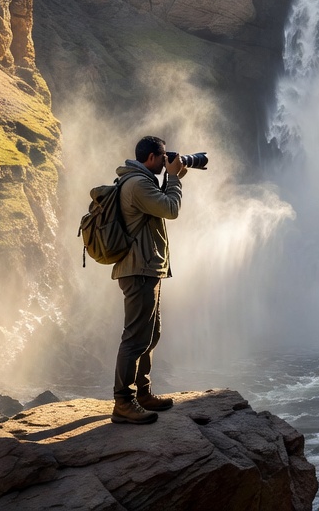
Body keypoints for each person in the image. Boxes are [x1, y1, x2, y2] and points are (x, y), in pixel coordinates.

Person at [110, 135, 186, 425]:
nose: (167, 161)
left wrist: (170, 178)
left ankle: (142, 393)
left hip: (146, 268)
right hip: (138, 269)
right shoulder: (138, 184)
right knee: (135, 338)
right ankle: (123, 402)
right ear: (152, 158)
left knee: (150, 334)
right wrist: (175, 178)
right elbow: (171, 209)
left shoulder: (141, 181)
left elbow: (162, 205)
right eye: (164, 157)